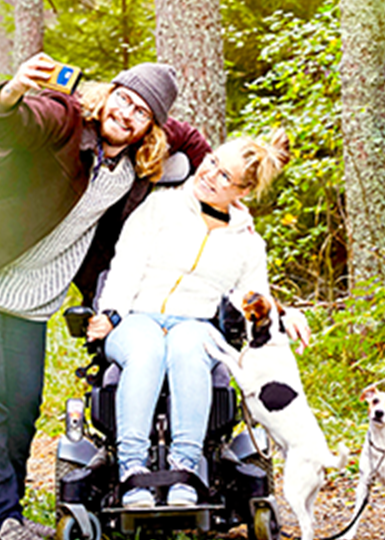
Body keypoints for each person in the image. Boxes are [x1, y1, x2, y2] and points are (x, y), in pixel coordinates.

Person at [0, 54, 211, 540]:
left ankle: (6, 509)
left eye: (142, 112)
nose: (128, 113)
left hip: (31, 289)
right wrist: (13, 91)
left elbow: (196, 147)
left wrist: (225, 191)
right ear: (108, 94)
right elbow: (9, 122)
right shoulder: (66, 118)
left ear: (151, 129)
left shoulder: (138, 157)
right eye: (125, 99)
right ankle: (3, 521)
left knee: (24, 400)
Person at [84, 135, 290, 508]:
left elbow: (251, 300)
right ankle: (133, 472)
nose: (209, 175)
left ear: (243, 190)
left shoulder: (247, 243)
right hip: (136, 318)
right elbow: (126, 265)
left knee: (188, 346)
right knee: (147, 348)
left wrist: (282, 316)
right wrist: (110, 313)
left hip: (195, 323)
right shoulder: (160, 206)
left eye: (225, 176)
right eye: (211, 162)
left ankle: (186, 470)